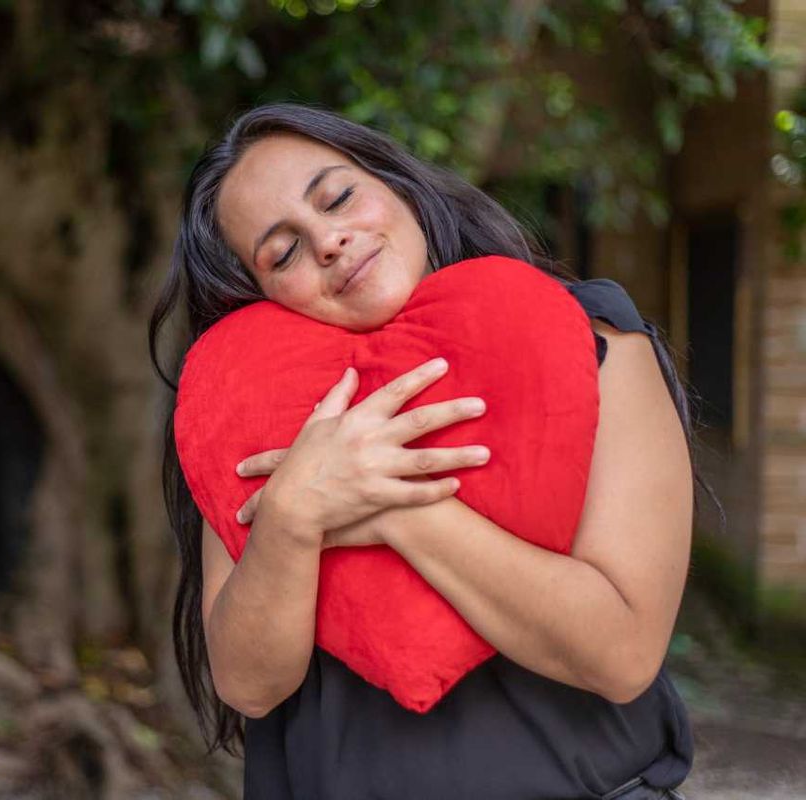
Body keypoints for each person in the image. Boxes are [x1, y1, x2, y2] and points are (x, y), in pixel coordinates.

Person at [148, 103, 704, 799]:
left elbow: (622, 654)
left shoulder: (589, 341)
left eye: (339, 197)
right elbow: (248, 686)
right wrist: (291, 515)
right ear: (255, 292)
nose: (329, 240)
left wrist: (387, 505)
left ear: (399, 186)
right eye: (282, 252)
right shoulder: (252, 409)